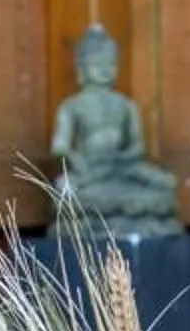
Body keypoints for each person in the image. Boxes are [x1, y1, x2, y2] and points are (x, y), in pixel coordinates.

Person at [49, 24, 181, 232]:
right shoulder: (72, 106)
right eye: (97, 63)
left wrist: (121, 159)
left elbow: (137, 148)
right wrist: (78, 162)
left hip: (122, 168)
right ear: (81, 68)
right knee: (65, 191)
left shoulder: (126, 106)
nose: (104, 69)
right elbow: (60, 147)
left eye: (110, 63)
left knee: (166, 186)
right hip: (89, 173)